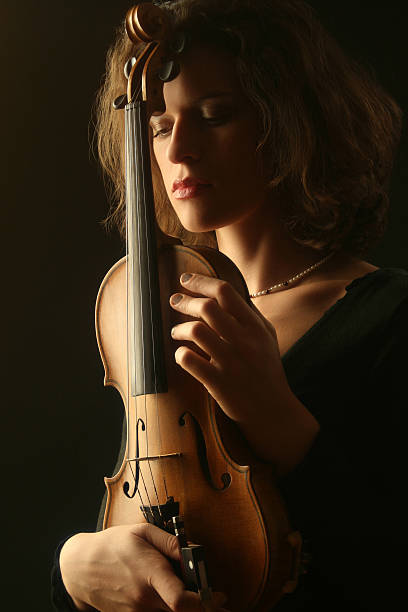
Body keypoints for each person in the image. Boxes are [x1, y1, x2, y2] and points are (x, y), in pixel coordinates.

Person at [51, 0, 406, 610]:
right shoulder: (150, 308)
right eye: (158, 127)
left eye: (214, 115)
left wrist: (276, 415)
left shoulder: (390, 315)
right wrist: (72, 573)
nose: (178, 151)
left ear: (290, 122)